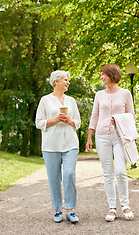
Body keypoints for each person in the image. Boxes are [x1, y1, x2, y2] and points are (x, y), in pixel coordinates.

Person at [86, 63, 135, 222]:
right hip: (102, 136)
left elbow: (132, 115)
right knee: (107, 174)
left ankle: (125, 205)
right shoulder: (99, 95)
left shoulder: (126, 93)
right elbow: (94, 115)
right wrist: (89, 136)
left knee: (120, 171)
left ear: (112, 75)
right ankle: (112, 208)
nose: (101, 77)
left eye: (103, 74)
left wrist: (120, 120)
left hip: (119, 137)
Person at [35, 70, 81, 223]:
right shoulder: (45, 100)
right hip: (50, 146)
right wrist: (55, 120)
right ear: (56, 82)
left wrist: (69, 121)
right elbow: (38, 122)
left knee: (69, 175)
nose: (68, 83)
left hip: (70, 144)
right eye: (65, 80)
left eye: (68, 80)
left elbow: (78, 123)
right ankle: (57, 210)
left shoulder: (71, 101)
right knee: (54, 179)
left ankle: (70, 210)